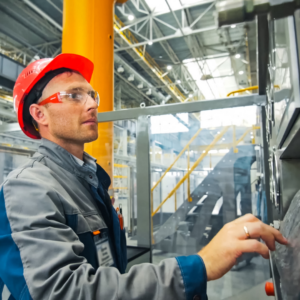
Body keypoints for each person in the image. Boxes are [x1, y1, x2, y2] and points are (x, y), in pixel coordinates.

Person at [0, 53, 287, 300]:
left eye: (91, 94)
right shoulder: (26, 188)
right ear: (39, 114)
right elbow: (61, 292)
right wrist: (199, 265)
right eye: (74, 95)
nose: (91, 104)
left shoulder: (89, 180)